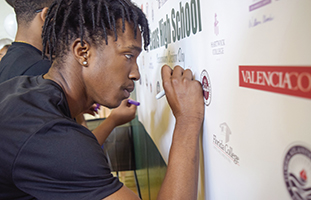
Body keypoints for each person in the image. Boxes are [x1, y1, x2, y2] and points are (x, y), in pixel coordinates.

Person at [0, 0, 204, 200]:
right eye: (127, 56)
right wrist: (188, 119)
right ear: (82, 51)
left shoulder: (26, 90)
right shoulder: (47, 132)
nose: (136, 74)